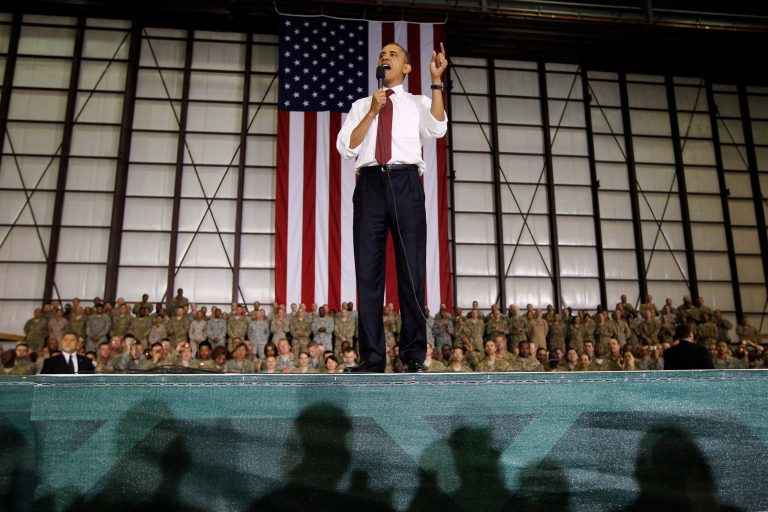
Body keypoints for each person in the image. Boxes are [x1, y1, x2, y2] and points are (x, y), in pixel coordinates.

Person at [336, 41, 448, 373]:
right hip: (369, 184)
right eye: (383, 54)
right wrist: (373, 110)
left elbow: (437, 128)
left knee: (410, 270)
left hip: (405, 183)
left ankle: (413, 355)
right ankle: (371, 359)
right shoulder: (361, 104)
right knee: (368, 275)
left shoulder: (417, 102)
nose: (386, 57)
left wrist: (437, 81)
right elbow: (347, 146)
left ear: (407, 68)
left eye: (393, 54)